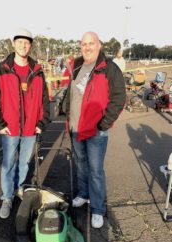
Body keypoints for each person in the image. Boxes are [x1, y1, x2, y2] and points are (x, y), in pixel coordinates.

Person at [65, 32, 126, 228]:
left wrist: (104, 123)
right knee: (81, 165)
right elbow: (71, 93)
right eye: (84, 44)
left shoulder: (109, 68)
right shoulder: (76, 65)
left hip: (96, 131)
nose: (87, 47)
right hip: (75, 128)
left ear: (99, 45)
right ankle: (84, 194)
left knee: (96, 171)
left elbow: (119, 98)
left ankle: (98, 208)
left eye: (91, 43)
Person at [0, 28, 50, 219]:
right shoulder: (2, 68)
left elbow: (44, 99)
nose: (23, 45)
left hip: (31, 127)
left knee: (24, 162)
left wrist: (42, 121)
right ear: (13, 43)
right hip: (10, 127)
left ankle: (19, 187)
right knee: (8, 164)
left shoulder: (38, 71)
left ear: (30, 45)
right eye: (20, 42)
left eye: (27, 43)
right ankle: (7, 197)